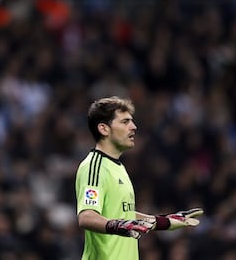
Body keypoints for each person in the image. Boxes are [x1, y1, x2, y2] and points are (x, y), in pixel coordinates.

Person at [75, 96, 203, 260]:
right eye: (125, 122)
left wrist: (166, 222)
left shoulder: (118, 167)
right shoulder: (94, 166)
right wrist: (120, 226)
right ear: (104, 129)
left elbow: (123, 215)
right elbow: (86, 217)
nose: (133, 127)